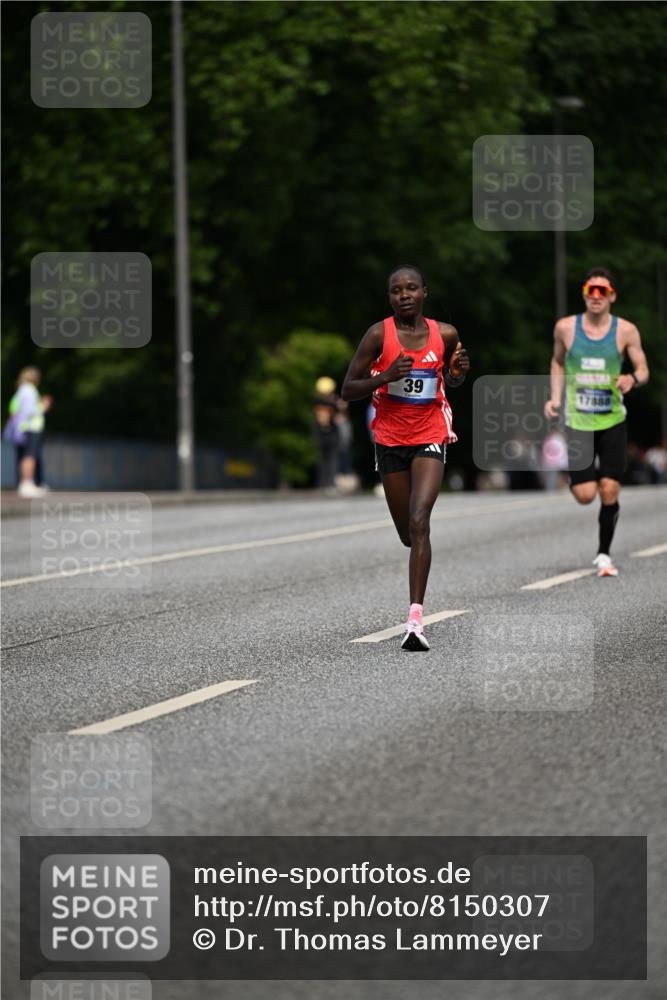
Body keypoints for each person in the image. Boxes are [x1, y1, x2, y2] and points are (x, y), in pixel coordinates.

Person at [342, 265, 469, 650]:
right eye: (397, 290)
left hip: (430, 431)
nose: (404, 295)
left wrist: (460, 373)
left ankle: (415, 619)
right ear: (390, 297)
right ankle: (414, 554)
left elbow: (453, 379)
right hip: (390, 438)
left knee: (420, 521)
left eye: (411, 288)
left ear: (424, 293)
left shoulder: (445, 334)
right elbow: (348, 389)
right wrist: (384, 377)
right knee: (406, 534)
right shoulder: (378, 335)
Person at [544, 267, 649, 576]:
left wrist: (633, 378)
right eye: (592, 290)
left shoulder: (626, 331)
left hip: (612, 419)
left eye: (603, 291)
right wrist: (555, 397)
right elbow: (557, 361)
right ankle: (583, 475)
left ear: (612, 295)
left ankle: (604, 554)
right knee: (586, 495)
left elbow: (643, 369)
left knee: (610, 488)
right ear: (584, 293)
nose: (596, 296)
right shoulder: (565, 328)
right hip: (578, 421)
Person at [5, 367, 53, 498]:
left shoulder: (20, 391)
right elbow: (30, 411)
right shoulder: (29, 390)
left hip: (23, 428)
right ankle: (27, 484)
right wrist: (43, 406)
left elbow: (14, 409)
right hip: (31, 428)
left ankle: (26, 483)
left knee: (24, 456)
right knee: (29, 456)